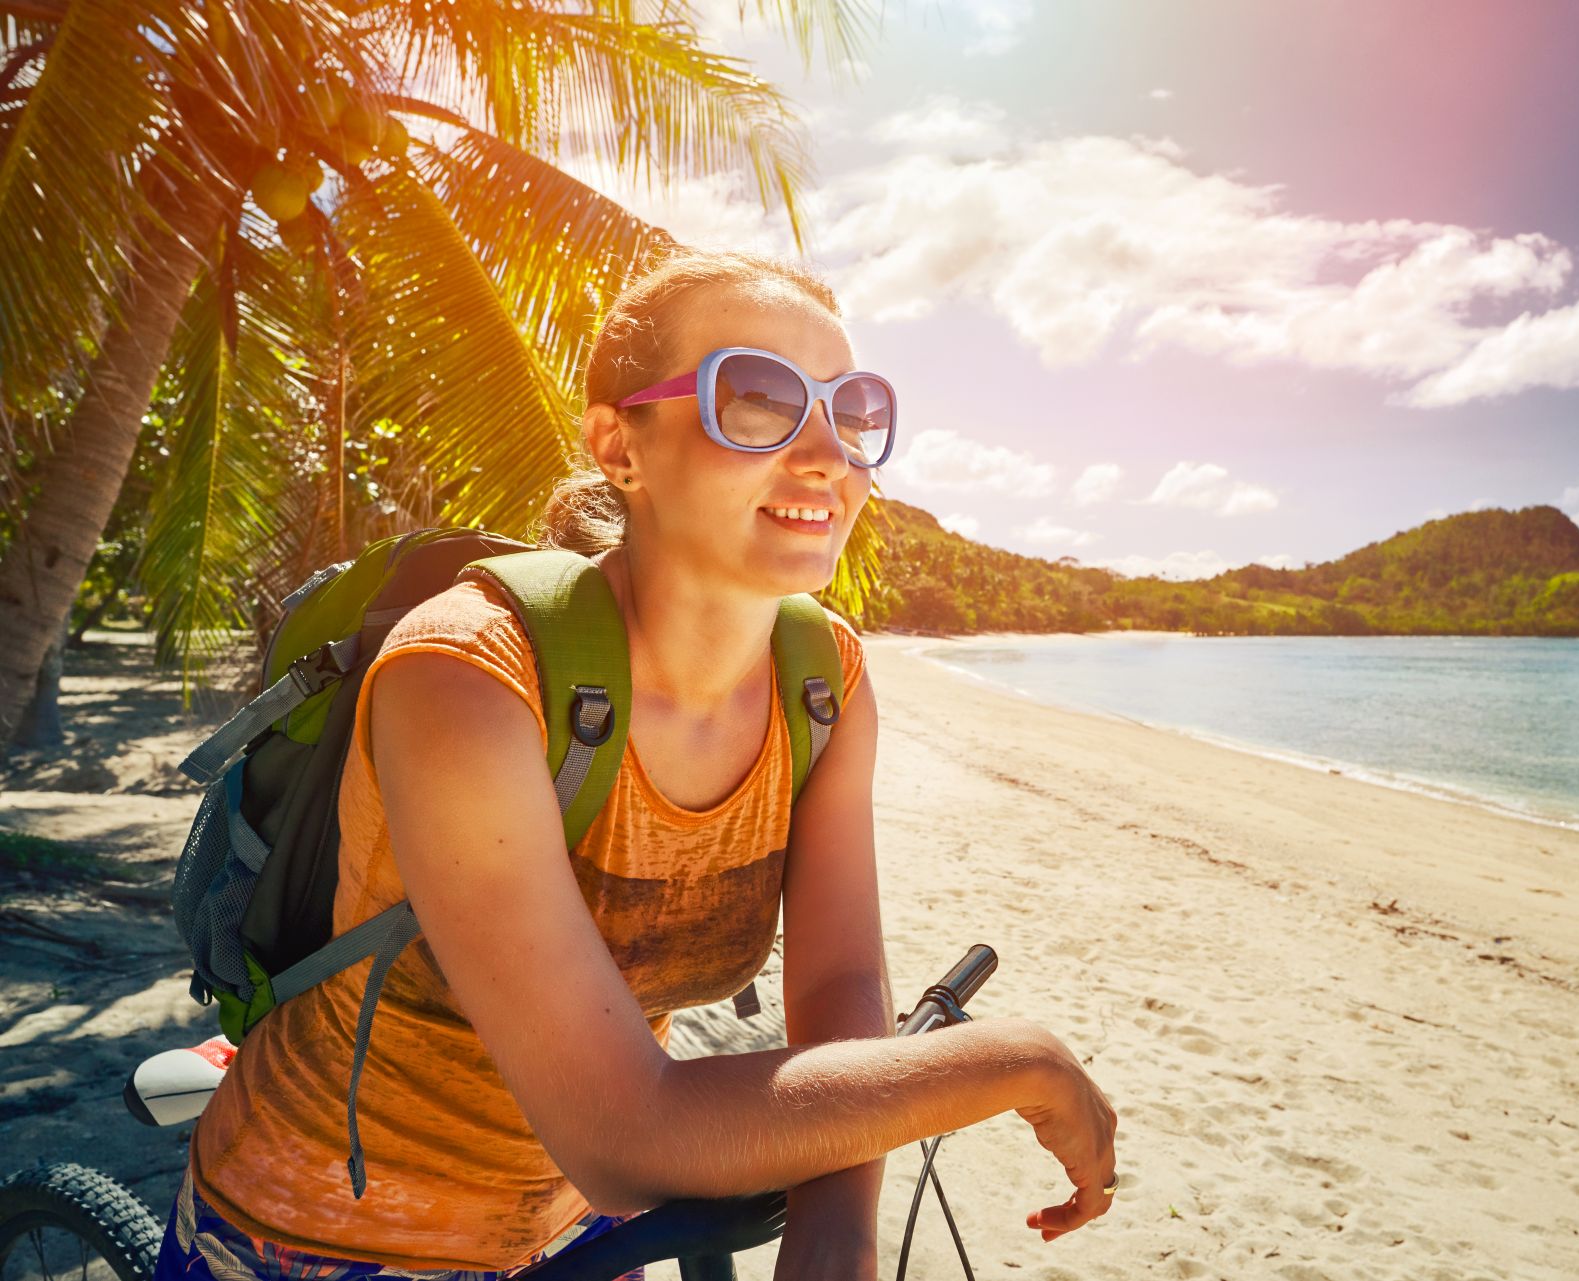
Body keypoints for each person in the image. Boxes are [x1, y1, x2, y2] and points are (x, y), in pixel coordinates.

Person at [155, 246, 1118, 1281]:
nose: (828, 452)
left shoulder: (822, 678)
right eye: (757, 399)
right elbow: (624, 1136)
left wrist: (835, 1237)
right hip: (324, 1233)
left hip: (581, 1231)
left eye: (855, 409)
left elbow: (837, 979)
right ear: (620, 443)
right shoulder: (469, 677)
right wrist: (1019, 1064)